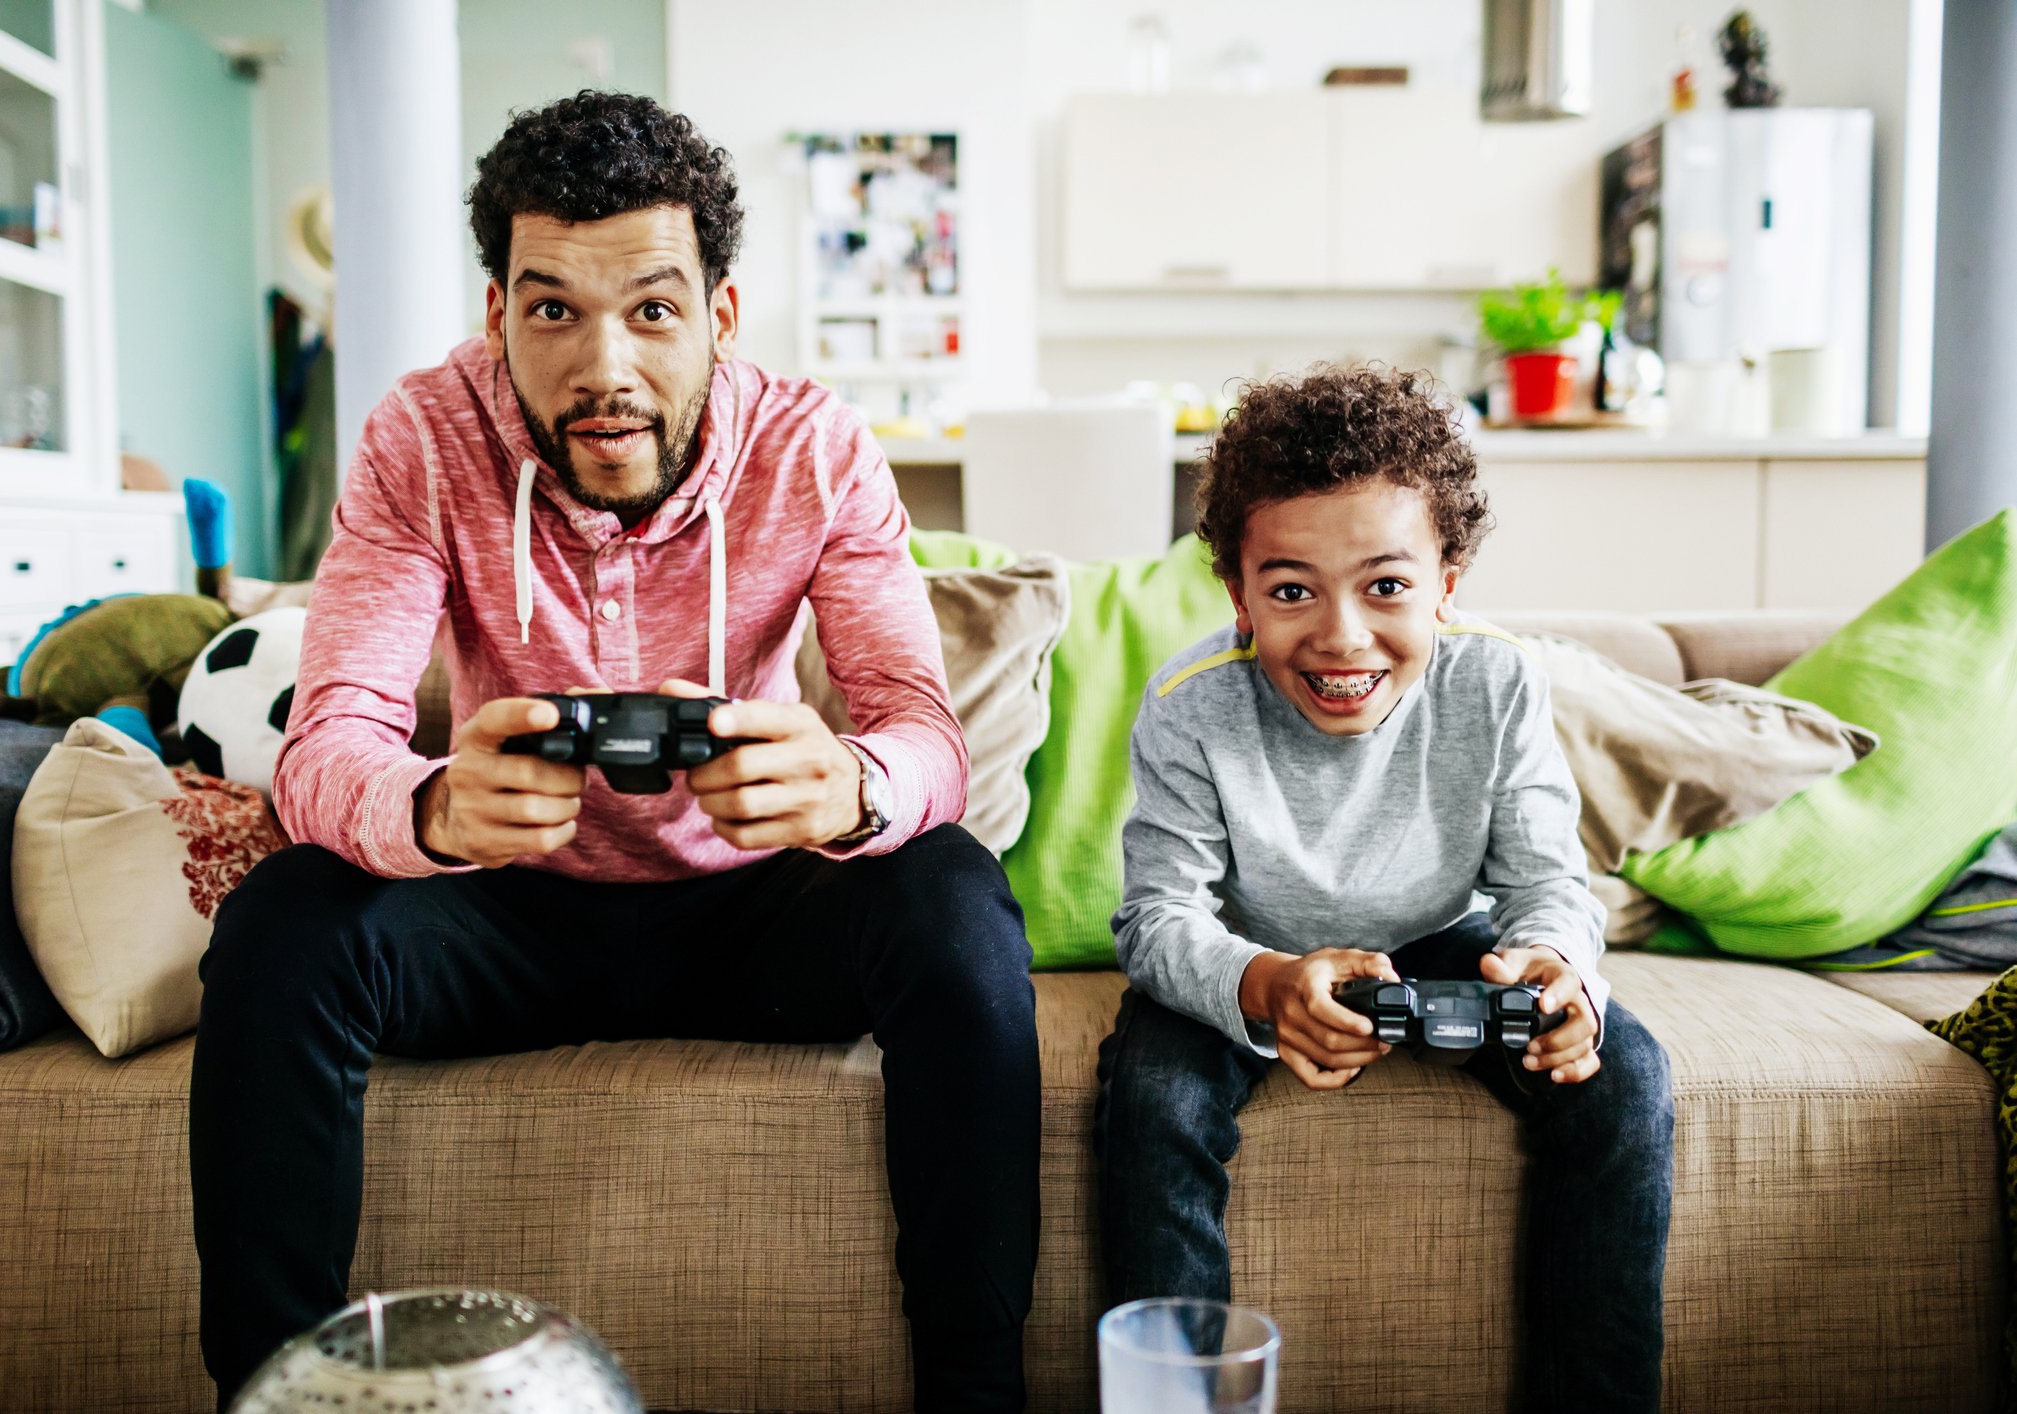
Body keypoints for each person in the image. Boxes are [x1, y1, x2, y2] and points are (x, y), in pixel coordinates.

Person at [189, 92, 1039, 1412]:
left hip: (750, 908)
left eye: (651, 307)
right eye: (552, 311)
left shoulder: (815, 447)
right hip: (505, 909)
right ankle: (267, 1394)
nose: (606, 368)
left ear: (721, 313)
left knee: (953, 892)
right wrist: (432, 807)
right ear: (496, 316)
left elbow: (921, 729)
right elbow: (328, 743)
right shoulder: (421, 437)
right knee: (287, 918)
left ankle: (976, 1392)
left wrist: (851, 782)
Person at [1093, 365, 1674, 1412]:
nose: (1342, 635)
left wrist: (1559, 969)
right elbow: (1159, 916)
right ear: (1237, 592)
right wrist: (1266, 984)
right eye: (1290, 590)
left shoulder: (1497, 682)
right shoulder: (1189, 702)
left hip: (1447, 937)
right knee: (1152, 1095)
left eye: (1387, 585)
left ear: (1449, 577)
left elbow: (1548, 881)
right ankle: (1180, 1398)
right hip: (1249, 950)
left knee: (1623, 1075)